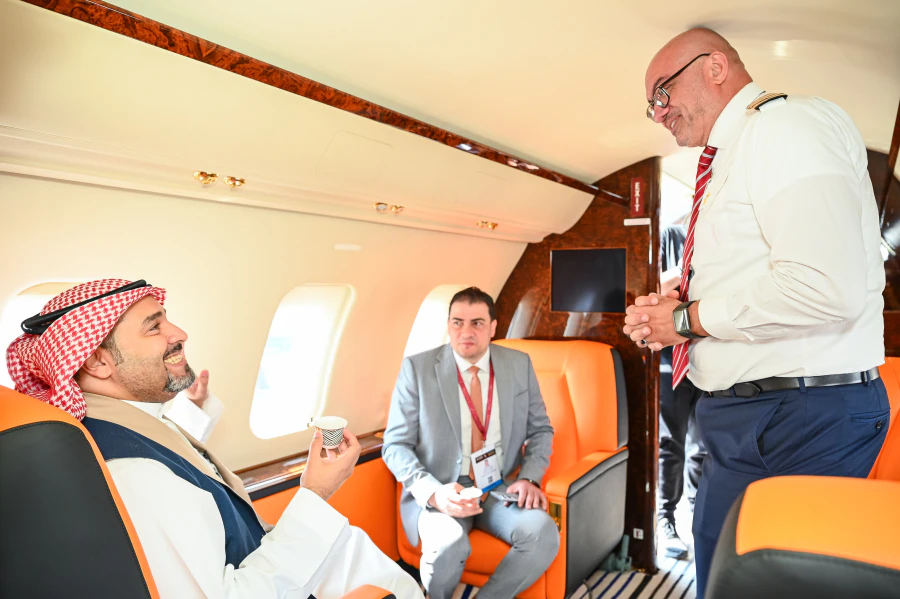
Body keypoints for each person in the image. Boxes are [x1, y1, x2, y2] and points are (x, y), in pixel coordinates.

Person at [624, 28, 889, 598]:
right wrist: (678, 299)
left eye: (663, 93)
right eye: (651, 105)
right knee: (720, 575)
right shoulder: (733, 156)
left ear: (715, 67)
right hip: (751, 420)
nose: (658, 113)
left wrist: (685, 321)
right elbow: (758, 269)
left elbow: (824, 285)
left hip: (798, 417)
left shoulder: (783, 127)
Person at [6, 279, 422, 599]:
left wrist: (194, 409)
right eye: (154, 327)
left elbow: (174, 458)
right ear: (97, 362)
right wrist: (315, 492)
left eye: (166, 318)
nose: (179, 332)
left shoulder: (120, 424)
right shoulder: (135, 472)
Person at [382, 287, 559, 599]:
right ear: (448, 325)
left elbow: (541, 430)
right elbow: (395, 446)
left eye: (477, 323)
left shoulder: (519, 364)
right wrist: (433, 492)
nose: (466, 332)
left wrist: (530, 477)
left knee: (543, 534)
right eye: (457, 322)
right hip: (443, 489)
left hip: (498, 487)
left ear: (493, 327)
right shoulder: (416, 370)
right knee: (448, 545)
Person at [657, 220, 706, 560]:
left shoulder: (726, 238)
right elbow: (653, 289)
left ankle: (698, 516)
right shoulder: (669, 237)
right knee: (670, 444)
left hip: (710, 356)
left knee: (703, 446)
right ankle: (665, 519)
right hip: (670, 358)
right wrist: (686, 268)